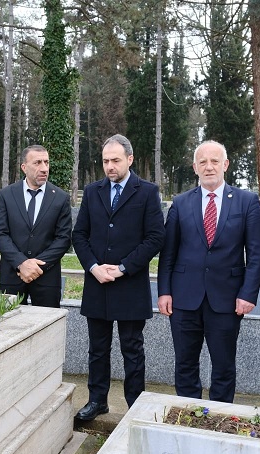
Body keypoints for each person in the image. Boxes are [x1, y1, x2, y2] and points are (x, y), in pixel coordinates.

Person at [157, 140, 260, 403]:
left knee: (224, 366)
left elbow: (256, 254)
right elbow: (168, 252)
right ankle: (188, 412)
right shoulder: (181, 203)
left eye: (214, 161)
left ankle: (218, 419)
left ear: (225, 165)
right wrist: (164, 292)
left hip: (227, 300)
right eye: (203, 162)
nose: (209, 167)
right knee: (185, 364)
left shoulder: (247, 202)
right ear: (195, 167)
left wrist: (248, 293)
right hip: (184, 299)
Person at [71, 134, 165, 421]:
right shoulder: (92, 191)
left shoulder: (147, 192)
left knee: (132, 349)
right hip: (97, 282)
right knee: (97, 349)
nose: (110, 167)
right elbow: (80, 234)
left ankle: (135, 405)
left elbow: (155, 237)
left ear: (130, 159)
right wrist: (93, 267)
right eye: (105, 161)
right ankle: (97, 400)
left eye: (115, 160)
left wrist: (124, 267)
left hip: (130, 283)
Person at [0, 145, 72, 308]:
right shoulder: (6, 195)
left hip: (47, 277)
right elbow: (0, 234)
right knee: (9, 329)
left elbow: (63, 239)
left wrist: (36, 266)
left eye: (46, 162)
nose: (44, 168)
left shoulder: (60, 198)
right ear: (24, 167)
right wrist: (21, 263)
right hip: (12, 277)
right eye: (37, 163)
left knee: (48, 330)